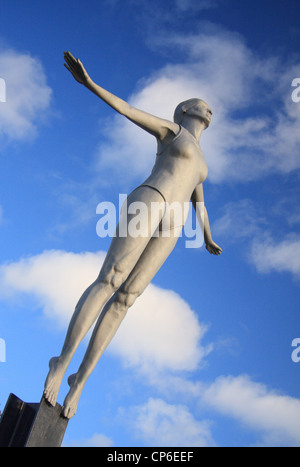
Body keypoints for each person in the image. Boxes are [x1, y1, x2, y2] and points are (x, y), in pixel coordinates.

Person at [44, 51, 222, 419]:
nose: (208, 109)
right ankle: (61, 363)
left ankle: (80, 382)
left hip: (173, 226)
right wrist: (90, 84)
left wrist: (206, 235)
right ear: (185, 110)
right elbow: (126, 109)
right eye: (200, 105)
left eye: (210, 109)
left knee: (127, 298)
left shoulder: (203, 164)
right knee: (110, 280)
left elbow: (198, 202)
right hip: (150, 200)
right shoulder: (172, 133)